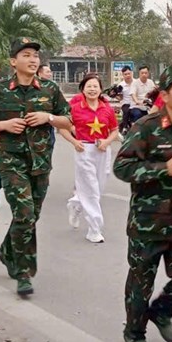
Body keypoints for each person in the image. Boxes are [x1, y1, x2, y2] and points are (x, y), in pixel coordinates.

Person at [113, 65, 172, 342]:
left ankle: (161, 312)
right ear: (164, 94)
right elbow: (122, 167)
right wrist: (163, 168)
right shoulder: (146, 127)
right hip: (148, 222)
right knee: (142, 281)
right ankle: (134, 331)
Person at [0, 38, 72, 296]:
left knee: (31, 216)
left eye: (35, 56)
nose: (33, 60)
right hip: (11, 163)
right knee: (24, 214)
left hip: (41, 163)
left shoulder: (50, 89)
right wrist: (4, 125)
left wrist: (48, 117)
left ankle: (9, 251)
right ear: (13, 61)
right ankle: (24, 272)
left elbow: (68, 120)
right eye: (26, 55)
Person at [61, 73, 120, 243]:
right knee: (91, 189)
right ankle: (94, 229)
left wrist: (107, 142)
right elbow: (62, 128)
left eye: (95, 86)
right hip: (83, 149)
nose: (92, 89)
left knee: (98, 189)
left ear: (101, 89)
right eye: (89, 86)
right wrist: (74, 142)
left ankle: (76, 203)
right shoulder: (75, 108)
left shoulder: (107, 109)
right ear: (82, 89)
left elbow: (114, 130)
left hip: (102, 150)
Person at [117, 66, 136, 133]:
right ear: (123, 75)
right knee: (126, 111)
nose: (128, 75)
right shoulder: (121, 85)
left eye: (129, 73)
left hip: (135, 103)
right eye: (125, 74)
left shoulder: (136, 82)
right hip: (125, 103)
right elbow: (120, 98)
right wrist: (115, 95)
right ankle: (124, 127)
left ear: (131, 73)